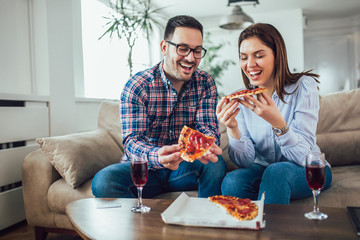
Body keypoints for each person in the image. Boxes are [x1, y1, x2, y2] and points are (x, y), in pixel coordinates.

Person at [92, 15, 226, 198]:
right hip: (146, 170)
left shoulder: (205, 82)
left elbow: (208, 129)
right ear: (164, 47)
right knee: (103, 181)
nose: (191, 58)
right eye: (183, 49)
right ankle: (140, 225)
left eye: (197, 51)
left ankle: (207, 222)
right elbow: (132, 142)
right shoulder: (137, 85)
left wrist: (208, 146)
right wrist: (158, 156)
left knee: (215, 164)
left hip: (183, 169)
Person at [216, 23, 332, 204]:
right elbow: (245, 162)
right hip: (263, 170)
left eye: (259, 55)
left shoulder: (303, 86)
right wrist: (232, 129)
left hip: (308, 168)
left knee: (276, 173)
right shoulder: (241, 98)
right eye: (244, 57)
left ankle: (271, 231)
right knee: (232, 182)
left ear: (277, 56)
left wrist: (279, 124)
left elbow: (304, 155)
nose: (250, 64)